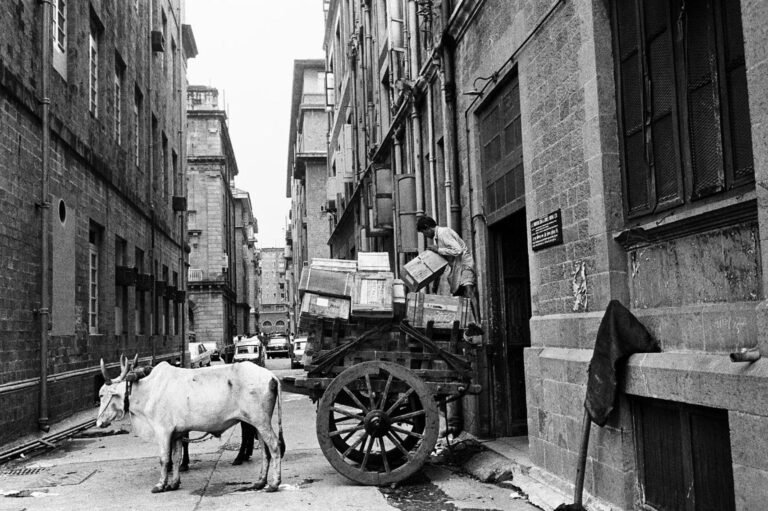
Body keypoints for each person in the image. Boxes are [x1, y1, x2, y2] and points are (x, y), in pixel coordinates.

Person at [416, 215, 482, 334]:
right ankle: (467, 325)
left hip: (464, 263)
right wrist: (435, 282)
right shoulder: (437, 238)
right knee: (459, 295)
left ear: (427, 228)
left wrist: (438, 250)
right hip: (456, 267)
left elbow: (458, 250)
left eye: (424, 233)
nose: (425, 236)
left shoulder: (443, 233)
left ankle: (478, 323)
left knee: (469, 290)